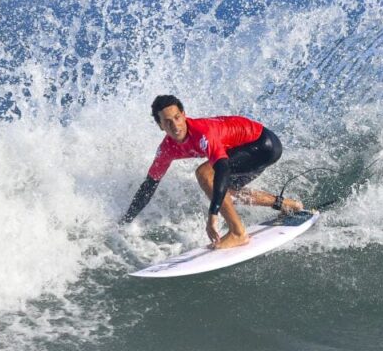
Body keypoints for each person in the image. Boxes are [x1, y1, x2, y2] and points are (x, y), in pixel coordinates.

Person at [120, 95, 303, 249]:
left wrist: (213, 214)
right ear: (160, 125)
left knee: (204, 173)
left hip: (263, 145)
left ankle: (238, 233)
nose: (175, 125)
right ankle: (287, 205)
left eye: (177, 117)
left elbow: (222, 168)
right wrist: (125, 222)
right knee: (225, 195)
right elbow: (149, 186)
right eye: (167, 122)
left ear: (184, 115)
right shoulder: (166, 150)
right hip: (248, 149)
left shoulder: (202, 133)